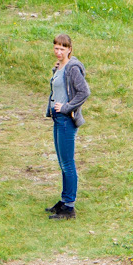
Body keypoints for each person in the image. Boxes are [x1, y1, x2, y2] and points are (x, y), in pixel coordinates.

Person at [44, 33, 90, 220]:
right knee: (62, 162)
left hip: (66, 119)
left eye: (62, 48)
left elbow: (84, 92)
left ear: (69, 49)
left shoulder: (72, 68)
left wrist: (67, 107)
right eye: (56, 48)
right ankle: (64, 201)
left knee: (68, 163)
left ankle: (69, 207)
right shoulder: (59, 67)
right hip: (57, 118)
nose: (59, 51)